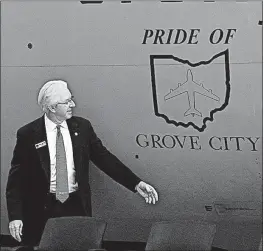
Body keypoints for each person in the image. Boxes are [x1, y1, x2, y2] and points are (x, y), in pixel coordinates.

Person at [6, 80, 158, 246]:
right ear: (52, 107)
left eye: (71, 99)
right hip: (41, 208)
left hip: (76, 205)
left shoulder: (83, 127)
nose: (73, 104)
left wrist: (136, 183)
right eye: (67, 101)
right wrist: (15, 217)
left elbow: (105, 159)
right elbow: (16, 180)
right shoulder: (28, 134)